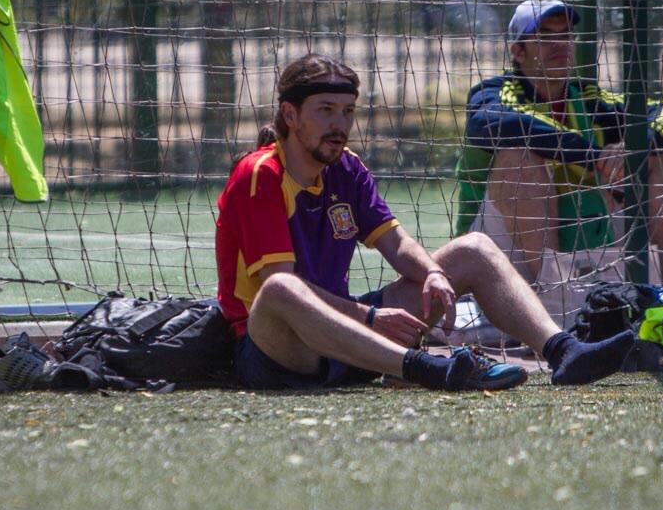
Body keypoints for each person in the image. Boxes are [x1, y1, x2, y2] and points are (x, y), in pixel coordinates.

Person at [215, 53, 634, 391]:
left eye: (347, 111)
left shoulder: (348, 169)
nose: (339, 125)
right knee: (281, 289)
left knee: (472, 249)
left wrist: (433, 273)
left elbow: (396, 245)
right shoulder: (260, 175)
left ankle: (563, 350)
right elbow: (282, 288)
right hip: (278, 352)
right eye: (325, 111)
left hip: (352, 341)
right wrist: (371, 318)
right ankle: (424, 368)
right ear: (290, 115)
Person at [455, 0, 663, 285]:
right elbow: (488, 122)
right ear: (518, 51)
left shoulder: (588, 98)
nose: (560, 44)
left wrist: (632, 149)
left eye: (567, 35)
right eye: (545, 37)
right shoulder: (495, 92)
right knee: (519, 160)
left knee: (659, 155)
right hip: (497, 250)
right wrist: (593, 155)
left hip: (584, 234)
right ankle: (554, 299)